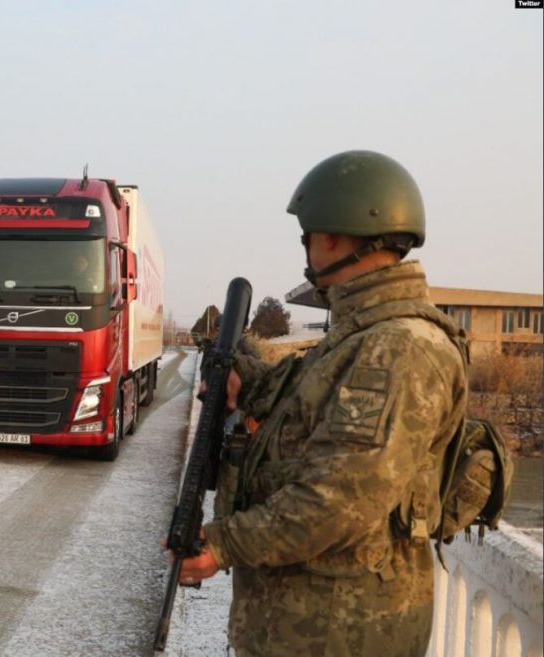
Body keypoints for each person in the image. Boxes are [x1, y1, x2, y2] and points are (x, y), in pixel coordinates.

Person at [178, 150, 468, 656]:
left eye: (308, 237)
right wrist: (243, 379)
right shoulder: (361, 335)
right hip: (305, 625)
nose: (308, 250)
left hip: (338, 634)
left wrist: (222, 544)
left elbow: (340, 500)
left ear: (332, 236)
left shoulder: (398, 347)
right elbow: (305, 405)